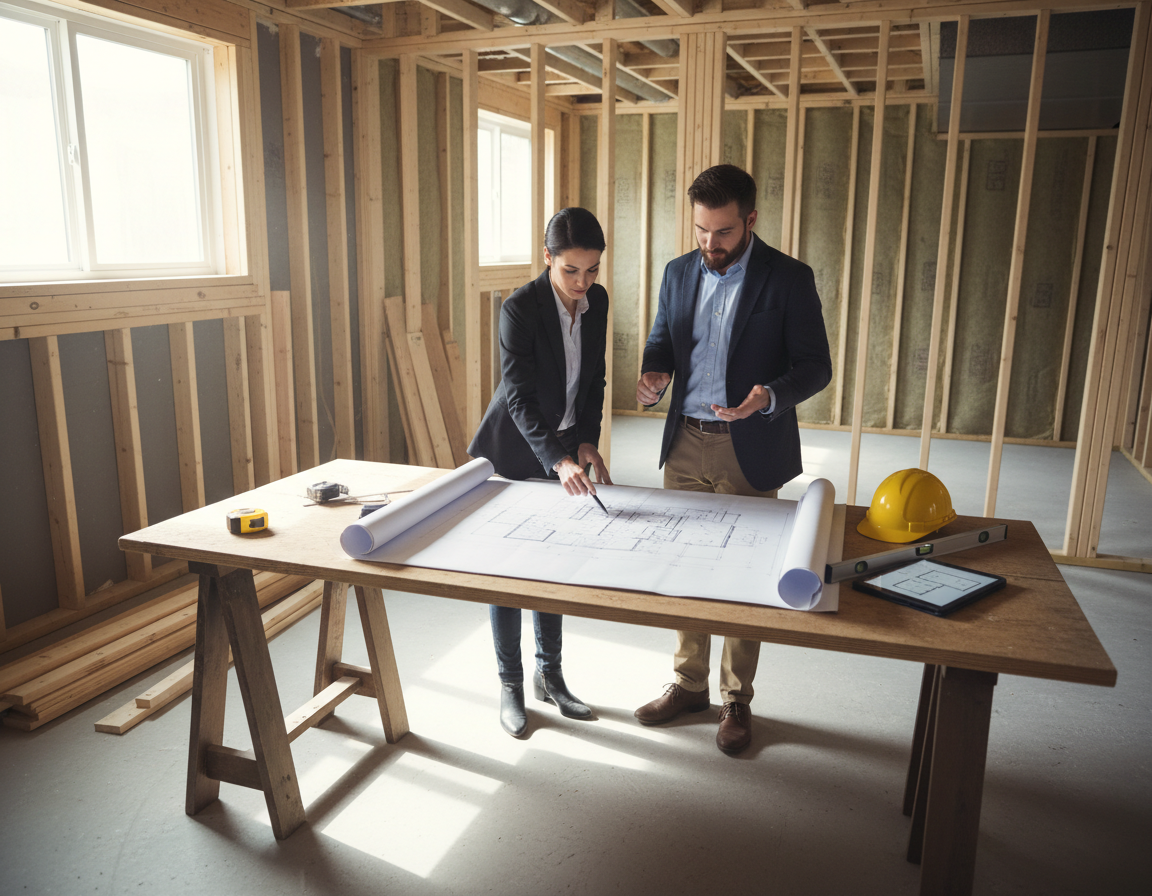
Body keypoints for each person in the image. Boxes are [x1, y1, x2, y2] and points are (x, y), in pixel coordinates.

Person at [634, 164, 832, 755]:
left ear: (749, 221)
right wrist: (653, 373)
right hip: (685, 441)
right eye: (700, 231)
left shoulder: (790, 279)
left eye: (721, 232)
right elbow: (662, 340)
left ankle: (736, 699)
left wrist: (769, 396)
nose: (708, 245)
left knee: (746, 576)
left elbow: (816, 365)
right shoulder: (676, 272)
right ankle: (689, 683)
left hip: (750, 444)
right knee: (685, 569)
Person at [468, 207, 612, 738]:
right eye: (571, 270)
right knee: (507, 572)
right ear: (547, 257)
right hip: (514, 450)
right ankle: (510, 684)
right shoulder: (520, 308)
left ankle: (550, 677)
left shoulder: (593, 302)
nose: (582, 283)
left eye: (593, 270)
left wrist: (588, 440)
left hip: (567, 445)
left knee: (551, 567)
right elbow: (521, 398)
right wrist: (558, 458)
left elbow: (593, 379)